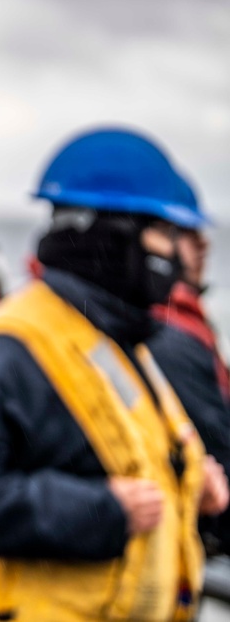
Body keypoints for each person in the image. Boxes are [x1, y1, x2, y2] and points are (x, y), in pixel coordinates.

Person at [0, 127, 229, 622]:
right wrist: (100, 511)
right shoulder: (12, 344)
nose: (174, 254)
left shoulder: (114, 337)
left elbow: (119, 455)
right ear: (115, 235)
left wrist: (191, 480)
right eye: (165, 234)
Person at [148, 178, 230, 555]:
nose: (203, 244)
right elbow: (217, 441)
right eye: (186, 232)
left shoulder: (178, 322)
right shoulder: (167, 336)